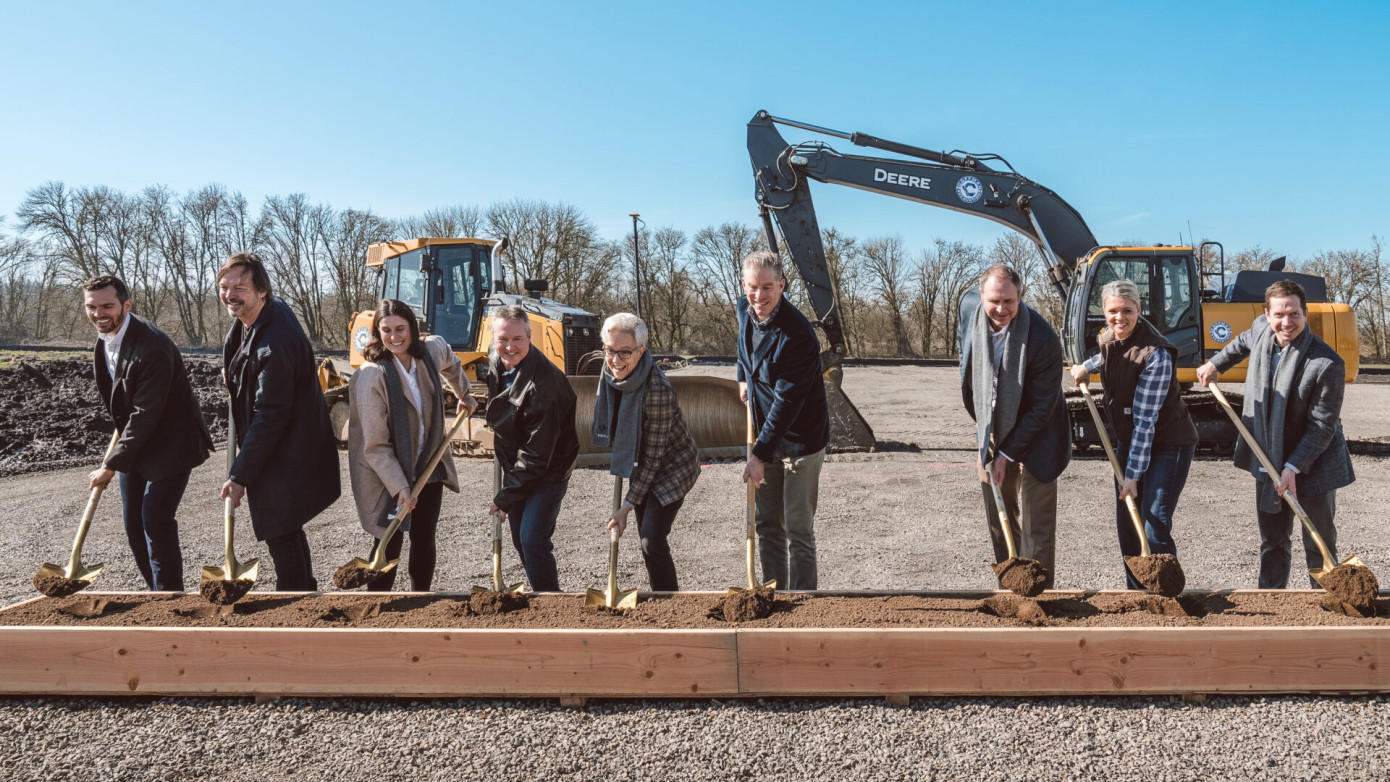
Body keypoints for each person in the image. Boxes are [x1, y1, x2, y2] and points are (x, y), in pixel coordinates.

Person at [1196, 279, 1354, 588]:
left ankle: (1327, 606)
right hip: (1268, 455)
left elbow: (1323, 425)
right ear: (1267, 314)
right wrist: (1216, 364)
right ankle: (1272, 600)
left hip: (1314, 462)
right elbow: (1239, 343)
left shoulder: (1326, 363)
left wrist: (1293, 467)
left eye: (1294, 314)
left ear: (1305, 313)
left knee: (1317, 543)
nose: (1287, 322)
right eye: (1279, 314)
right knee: (1273, 540)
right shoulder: (1259, 330)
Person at [83, 275, 213, 591]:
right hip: (138, 441)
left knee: (155, 518)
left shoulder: (153, 346)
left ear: (126, 305)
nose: (99, 313)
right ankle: (156, 592)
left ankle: (170, 597)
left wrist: (111, 464)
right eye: (92, 306)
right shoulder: (105, 339)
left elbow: (145, 414)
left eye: (107, 306)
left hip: (173, 443)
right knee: (133, 527)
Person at [218, 252, 340, 591]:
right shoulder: (258, 318)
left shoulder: (275, 340)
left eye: (239, 287)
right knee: (284, 527)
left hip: (286, 447)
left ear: (262, 292)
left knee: (279, 528)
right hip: (285, 444)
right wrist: (235, 374)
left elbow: (270, 413)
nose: (230, 294)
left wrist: (240, 475)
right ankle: (302, 592)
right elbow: (242, 355)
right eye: (224, 287)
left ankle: (295, 597)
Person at [1070, 279, 1197, 589]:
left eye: (1127, 311)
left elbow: (1145, 422)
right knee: (1128, 525)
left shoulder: (1157, 355)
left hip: (1168, 444)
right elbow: (1106, 356)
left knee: (1153, 524)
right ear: (1104, 312)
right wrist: (1085, 367)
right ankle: (1137, 595)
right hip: (1132, 442)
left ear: (1139, 310)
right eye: (1113, 311)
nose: (1120, 318)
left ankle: (1166, 593)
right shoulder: (1110, 338)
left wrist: (1133, 476)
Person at [347, 299, 476, 591]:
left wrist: (464, 393)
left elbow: (453, 363)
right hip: (387, 471)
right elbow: (376, 445)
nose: (394, 337)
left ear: (413, 329)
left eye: (400, 329)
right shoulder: (372, 376)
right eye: (386, 330)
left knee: (424, 535)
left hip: (427, 462)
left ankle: (421, 599)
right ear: (377, 333)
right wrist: (400, 487)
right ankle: (377, 604)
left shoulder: (431, 351)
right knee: (389, 537)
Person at [958, 265, 1070, 589]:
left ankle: (1035, 595)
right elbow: (964, 354)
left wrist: (1008, 454)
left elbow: (1041, 409)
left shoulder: (1043, 340)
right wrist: (974, 404)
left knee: (1037, 529)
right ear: (981, 297)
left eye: (1010, 301)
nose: (1001, 309)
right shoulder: (968, 309)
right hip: (995, 423)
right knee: (998, 511)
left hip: (1042, 431)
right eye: (995, 301)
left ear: (1020, 297)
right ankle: (1011, 585)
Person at [736, 250, 829, 590]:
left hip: (800, 438)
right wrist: (742, 377)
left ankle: (804, 601)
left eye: (767, 287)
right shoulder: (743, 309)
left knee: (797, 527)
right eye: (752, 286)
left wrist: (759, 455)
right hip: (766, 434)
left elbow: (786, 403)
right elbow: (743, 350)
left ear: (782, 286)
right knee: (766, 524)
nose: (759, 296)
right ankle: (773, 593)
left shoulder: (799, 335)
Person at [592, 312, 700, 591]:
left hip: (672, 467)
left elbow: (653, 457)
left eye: (624, 353)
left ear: (641, 351)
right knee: (646, 537)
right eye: (610, 351)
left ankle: (669, 602)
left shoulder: (657, 389)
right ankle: (660, 591)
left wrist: (626, 506)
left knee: (651, 539)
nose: (615, 360)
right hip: (641, 462)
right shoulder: (611, 377)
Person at [484, 304, 579, 593]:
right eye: (502, 339)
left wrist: (505, 497)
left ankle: (551, 602)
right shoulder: (496, 361)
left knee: (532, 539)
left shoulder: (544, 386)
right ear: (493, 338)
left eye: (517, 340)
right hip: (519, 466)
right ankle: (540, 594)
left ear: (530, 337)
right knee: (518, 540)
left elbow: (537, 456)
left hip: (549, 468)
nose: (509, 347)